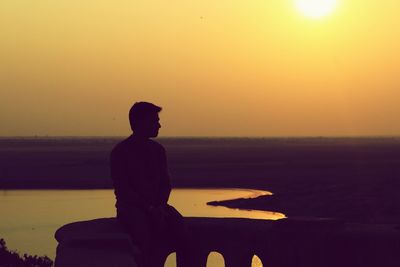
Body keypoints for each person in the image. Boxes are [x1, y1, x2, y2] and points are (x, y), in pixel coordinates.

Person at [110, 102, 184, 267]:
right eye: (154, 121)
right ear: (140, 123)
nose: (159, 125)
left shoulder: (158, 150)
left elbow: (166, 183)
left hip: (158, 207)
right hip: (132, 210)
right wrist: (149, 209)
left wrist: (160, 206)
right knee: (145, 240)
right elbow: (124, 191)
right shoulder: (120, 153)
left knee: (184, 233)